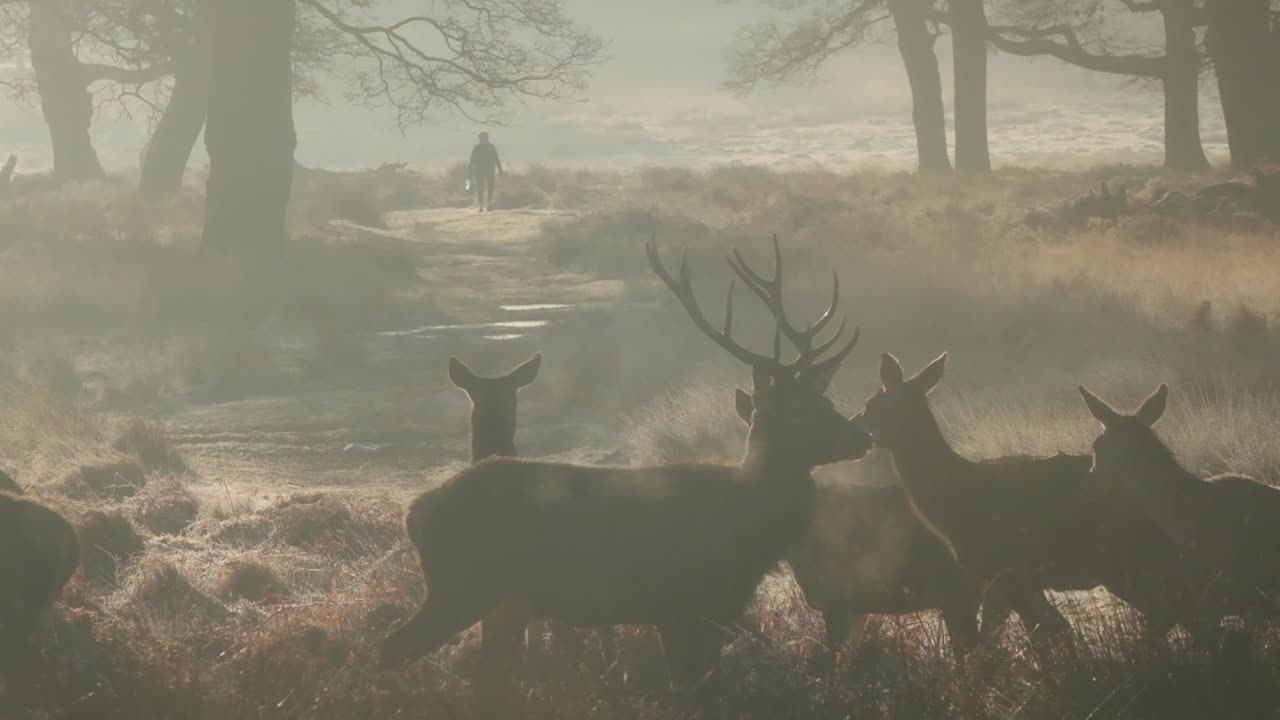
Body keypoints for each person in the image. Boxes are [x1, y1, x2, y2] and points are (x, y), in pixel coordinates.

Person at [468, 131, 503, 212]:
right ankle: (481, 205)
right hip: (480, 171)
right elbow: (472, 160)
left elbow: (496, 158)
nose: (483, 139)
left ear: (487, 138)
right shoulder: (477, 148)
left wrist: (500, 169)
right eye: (482, 138)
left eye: (484, 138)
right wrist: (470, 172)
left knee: (490, 187)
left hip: (490, 171)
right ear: (480, 138)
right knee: (481, 188)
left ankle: (489, 204)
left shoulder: (491, 147)